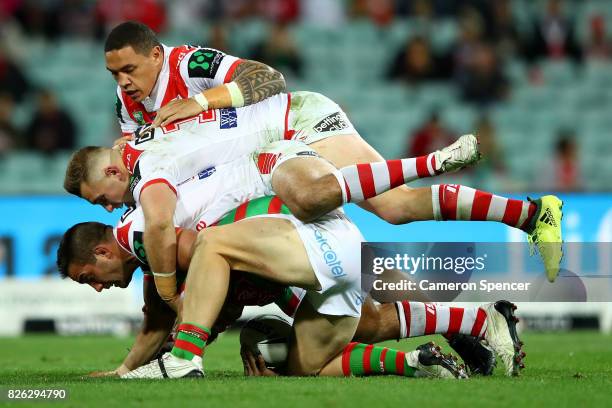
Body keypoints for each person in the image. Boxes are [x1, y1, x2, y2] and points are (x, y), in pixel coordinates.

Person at [57, 194, 524, 377]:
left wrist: (194, 324)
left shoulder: (145, 237)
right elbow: (155, 325)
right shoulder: (145, 249)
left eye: (88, 279)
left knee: (363, 321)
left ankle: (470, 324)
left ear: (100, 254)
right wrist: (123, 371)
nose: (96, 288)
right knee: (357, 316)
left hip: (274, 241)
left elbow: (201, 251)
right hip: (278, 237)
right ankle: (469, 323)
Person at [104, 21, 286, 135]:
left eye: (130, 69)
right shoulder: (124, 98)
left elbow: (271, 78)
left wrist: (199, 102)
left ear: (156, 55)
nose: (123, 82)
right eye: (114, 73)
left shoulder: (191, 63)